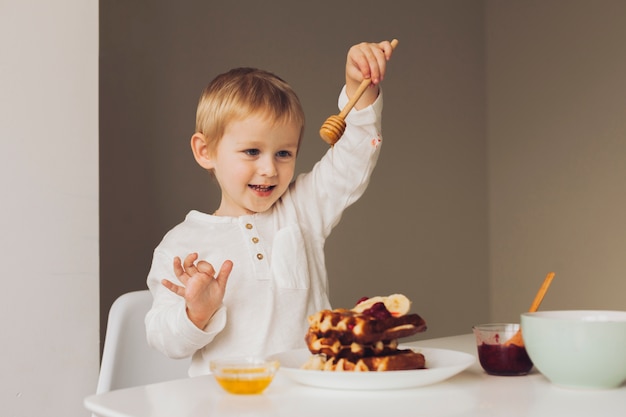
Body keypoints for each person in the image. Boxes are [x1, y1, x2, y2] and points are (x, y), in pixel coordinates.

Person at [145, 40, 395, 376]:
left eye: (283, 153)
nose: (269, 169)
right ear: (206, 151)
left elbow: (353, 157)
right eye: (251, 152)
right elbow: (163, 340)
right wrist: (197, 313)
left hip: (308, 398)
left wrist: (357, 88)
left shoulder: (302, 209)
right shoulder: (179, 246)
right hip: (224, 405)